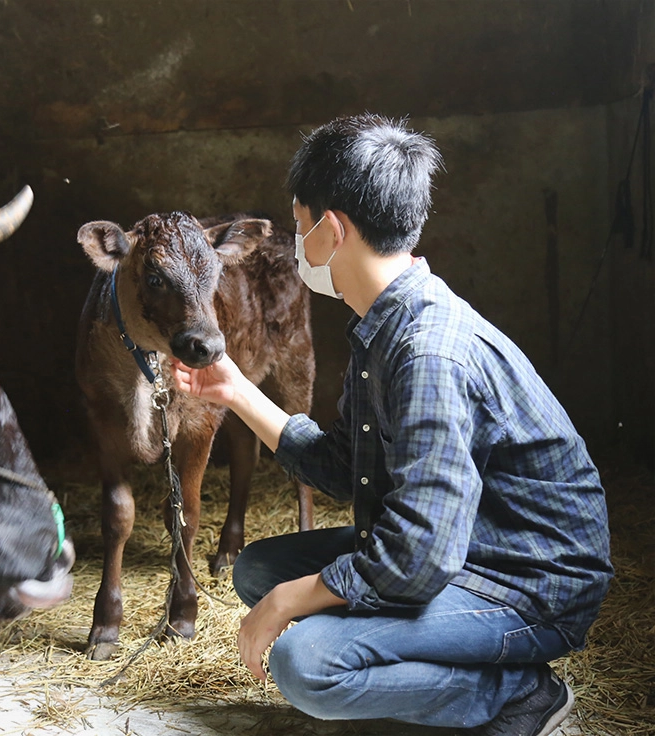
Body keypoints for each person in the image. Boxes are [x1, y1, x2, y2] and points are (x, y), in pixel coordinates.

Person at [169, 114, 613, 735]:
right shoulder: (383, 324)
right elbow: (346, 467)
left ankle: (517, 693)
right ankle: (422, 672)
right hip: (464, 550)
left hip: (524, 583)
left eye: (299, 227)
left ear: (331, 230)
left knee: (309, 665)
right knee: (260, 571)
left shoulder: (428, 352)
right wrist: (236, 390)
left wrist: (298, 600)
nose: (298, 248)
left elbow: (417, 556)